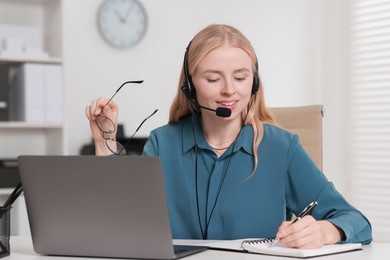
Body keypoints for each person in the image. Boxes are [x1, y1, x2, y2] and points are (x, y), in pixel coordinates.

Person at [85, 24, 372, 248]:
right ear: (189, 86)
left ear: (254, 82)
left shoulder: (281, 148)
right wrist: (105, 142)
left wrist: (323, 231)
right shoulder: (163, 143)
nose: (229, 91)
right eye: (212, 79)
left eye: (240, 77)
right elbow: (121, 224)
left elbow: (357, 222)